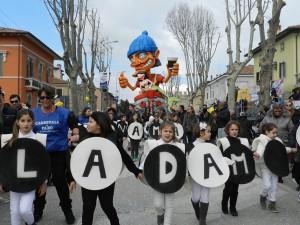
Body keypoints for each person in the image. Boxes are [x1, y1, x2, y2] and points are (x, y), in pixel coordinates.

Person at [76, 111, 142, 225]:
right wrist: (71, 178)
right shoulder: (85, 137)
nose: (87, 124)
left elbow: (124, 156)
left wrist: (136, 171)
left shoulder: (111, 137)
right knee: (88, 208)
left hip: (106, 178)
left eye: (91, 122)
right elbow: (77, 160)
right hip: (89, 178)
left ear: (99, 124)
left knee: (107, 206)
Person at [32, 87, 78, 224]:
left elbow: (74, 126)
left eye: (47, 97)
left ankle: (68, 211)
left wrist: (75, 135)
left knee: (59, 181)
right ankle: (38, 212)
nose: (45, 100)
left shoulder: (64, 113)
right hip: (41, 154)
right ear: (39, 99)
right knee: (40, 182)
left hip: (59, 152)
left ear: (53, 98)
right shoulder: (33, 114)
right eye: (42, 98)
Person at [0, 109, 47, 225]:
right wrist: (1, 181)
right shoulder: (7, 139)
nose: (26, 123)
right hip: (13, 181)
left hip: (30, 182)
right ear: (17, 122)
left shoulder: (39, 138)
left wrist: (44, 182)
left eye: (28, 120)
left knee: (25, 210)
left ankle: (31, 223)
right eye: (22, 120)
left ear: (33, 122)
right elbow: (3, 163)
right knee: (14, 212)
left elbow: (43, 163)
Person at [140, 121, 185, 225]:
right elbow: (147, 160)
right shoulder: (154, 144)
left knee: (169, 204)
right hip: (157, 180)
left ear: (174, 133)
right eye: (165, 131)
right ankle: (160, 215)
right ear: (160, 132)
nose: (168, 133)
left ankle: (166, 223)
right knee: (158, 204)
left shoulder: (178, 146)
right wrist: (140, 170)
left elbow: (182, 162)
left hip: (172, 181)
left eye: (170, 131)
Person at [252, 123, 295, 212]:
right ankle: (263, 196)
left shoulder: (277, 140)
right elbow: (260, 150)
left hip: (276, 166)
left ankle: (272, 203)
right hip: (266, 167)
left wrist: (291, 149)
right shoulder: (262, 141)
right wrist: (258, 154)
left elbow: (281, 149)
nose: (275, 135)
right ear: (266, 132)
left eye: (276, 133)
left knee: (274, 186)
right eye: (273, 133)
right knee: (267, 185)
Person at [217, 121, 250, 217]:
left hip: (238, 169)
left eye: (236, 129)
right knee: (228, 188)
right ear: (228, 130)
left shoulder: (242, 141)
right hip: (227, 169)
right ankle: (224, 205)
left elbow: (246, 154)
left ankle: (233, 207)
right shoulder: (223, 141)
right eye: (232, 129)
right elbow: (219, 155)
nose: (234, 131)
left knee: (235, 189)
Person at [187, 122, 211, 225]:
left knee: (205, 196)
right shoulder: (190, 146)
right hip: (195, 176)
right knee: (196, 197)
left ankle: (202, 220)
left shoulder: (211, 145)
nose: (210, 133)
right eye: (208, 131)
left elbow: (215, 159)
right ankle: (198, 211)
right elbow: (188, 161)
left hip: (207, 175)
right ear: (201, 133)